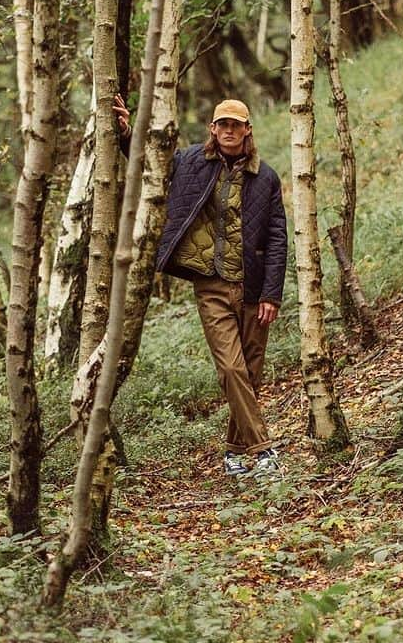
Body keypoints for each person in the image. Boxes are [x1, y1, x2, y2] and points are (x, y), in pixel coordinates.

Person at [114, 95, 288, 478]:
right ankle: (263, 451)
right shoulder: (191, 162)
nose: (228, 131)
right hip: (211, 285)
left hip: (254, 288)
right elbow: (151, 163)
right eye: (222, 124)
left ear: (247, 131)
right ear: (213, 129)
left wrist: (272, 294)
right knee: (230, 368)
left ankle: (233, 453)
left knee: (251, 372)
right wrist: (127, 134)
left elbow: (278, 238)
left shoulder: (267, 177)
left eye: (236, 125)